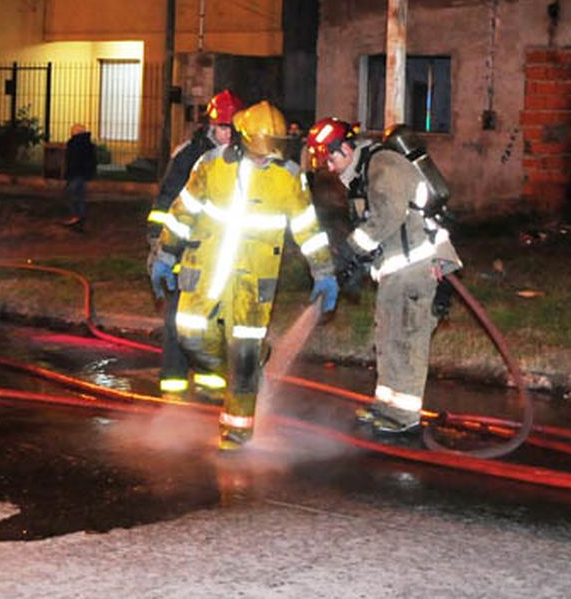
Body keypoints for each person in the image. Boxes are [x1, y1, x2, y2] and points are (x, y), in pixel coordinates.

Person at [153, 101, 335, 451]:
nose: (265, 158)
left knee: (246, 356)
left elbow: (307, 229)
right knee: (190, 337)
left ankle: (237, 435)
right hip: (203, 272)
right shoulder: (211, 164)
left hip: (254, 283)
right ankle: (239, 377)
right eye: (259, 152)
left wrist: (323, 271)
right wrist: (165, 253)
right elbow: (182, 211)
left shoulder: (288, 175)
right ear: (243, 139)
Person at [308, 116, 462, 439]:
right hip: (397, 270)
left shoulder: (382, 165)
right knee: (388, 338)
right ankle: (388, 406)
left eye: (332, 158)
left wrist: (351, 250)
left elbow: (388, 215)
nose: (331, 168)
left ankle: (404, 417)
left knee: (406, 339)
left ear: (346, 148)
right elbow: (378, 231)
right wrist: (356, 266)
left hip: (418, 267)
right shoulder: (362, 175)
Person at [145, 88, 243, 396]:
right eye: (222, 127)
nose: (226, 134)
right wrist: (160, 246)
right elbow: (167, 200)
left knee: (212, 318)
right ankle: (173, 383)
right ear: (211, 126)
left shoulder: (241, 156)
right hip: (183, 250)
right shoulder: (190, 155)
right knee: (178, 318)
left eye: (231, 128)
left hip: (217, 254)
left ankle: (209, 381)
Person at [62, 123, 97, 231]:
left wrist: (68, 173)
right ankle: (80, 217)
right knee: (80, 195)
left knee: (71, 194)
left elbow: (72, 161)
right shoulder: (88, 144)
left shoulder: (74, 144)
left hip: (75, 174)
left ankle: (77, 216)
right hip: (84, 174)